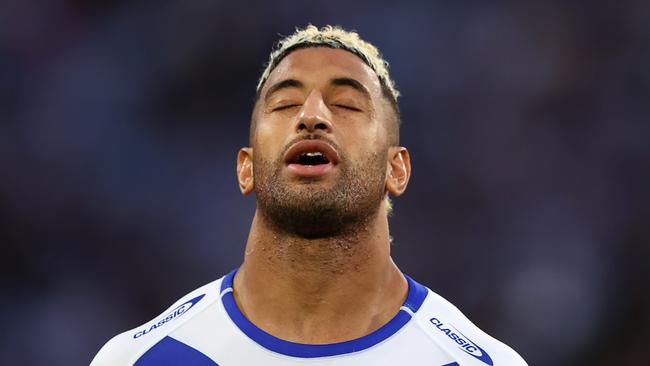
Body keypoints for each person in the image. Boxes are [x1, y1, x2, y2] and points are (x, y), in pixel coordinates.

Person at [91, 25, 527, 366]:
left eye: (347, 104)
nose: (312, 116)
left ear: (396, 169)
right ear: (246, 168)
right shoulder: (139, 358)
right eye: (284, 105)